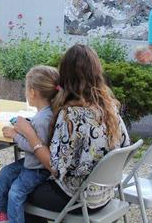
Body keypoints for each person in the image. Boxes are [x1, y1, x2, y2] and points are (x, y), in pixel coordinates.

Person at [21, 44, 130, 212]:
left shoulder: (71, 115)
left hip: (77, 199)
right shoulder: (109, 106)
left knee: (14, 186)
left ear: (65, 75)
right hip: (104, 195)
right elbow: (125, 146)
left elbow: (55, 167)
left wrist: (29, 134)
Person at [0, 65, 59, 223]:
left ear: (32, 92)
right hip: (31, 163)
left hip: (38, 168)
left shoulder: (43, 119)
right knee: (5, 173)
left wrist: (16, 135)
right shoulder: (45, 113)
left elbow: (35, 146)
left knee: (15, 192)